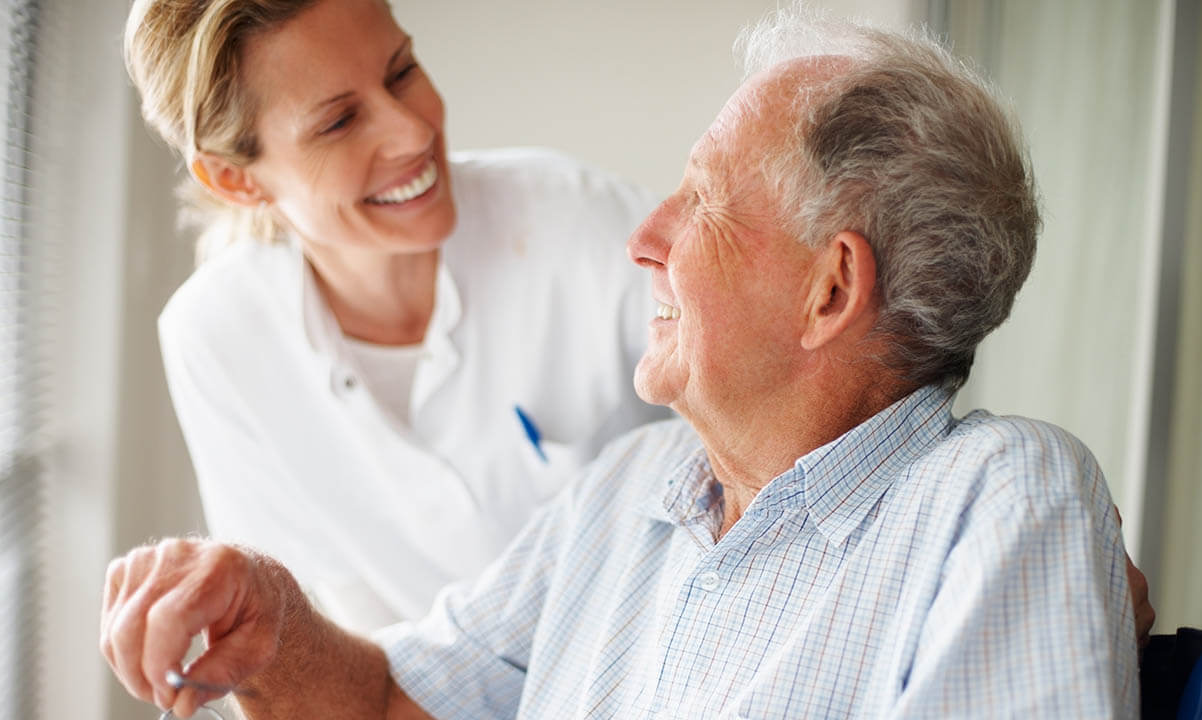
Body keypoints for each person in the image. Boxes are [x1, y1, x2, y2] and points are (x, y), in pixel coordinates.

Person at [102, 10, 1146, 718]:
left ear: (828, 289)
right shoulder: (627, 492)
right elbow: (392, 700)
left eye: (700, 201)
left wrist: (1067, 563)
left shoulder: (999, 501)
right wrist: (274, 628)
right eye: (336, 116)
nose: (645, 235)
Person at [125, 0, 669, 632]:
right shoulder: (216, 338)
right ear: (235, 180)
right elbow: (309, 631)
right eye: (339, 122)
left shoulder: (575, 218)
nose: (413, 132)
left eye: (402, 70)